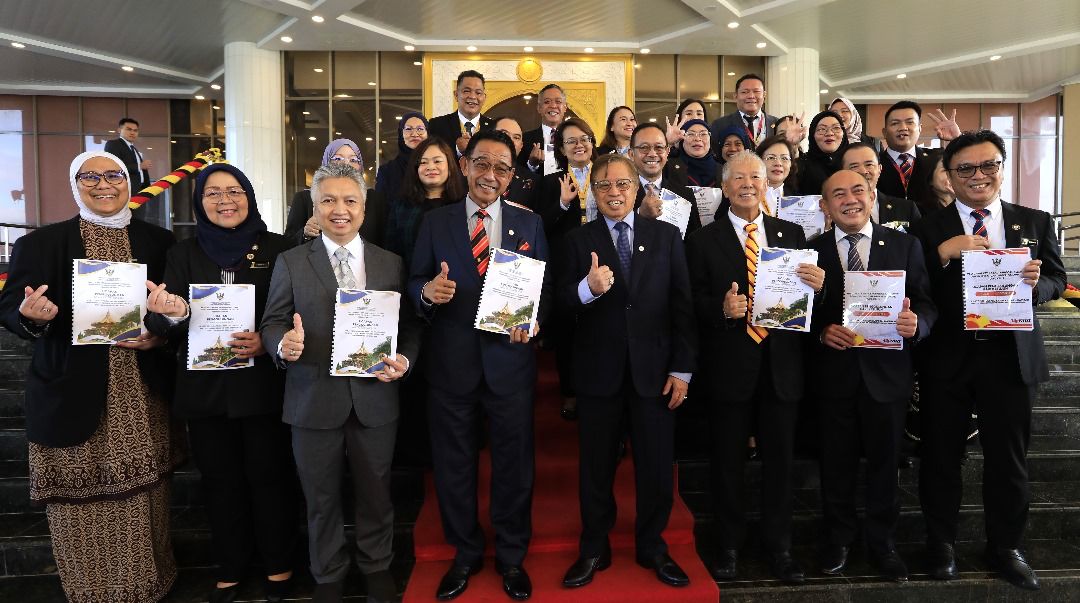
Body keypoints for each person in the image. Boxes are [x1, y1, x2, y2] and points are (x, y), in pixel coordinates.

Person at [0, 150, 181, 601]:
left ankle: (151, 585)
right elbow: (10, 309)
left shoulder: (159, 242)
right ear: (74, 184)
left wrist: (159, 334)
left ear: (129, 182)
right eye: (90, 177)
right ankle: (93, 591)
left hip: (141, 393)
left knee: (148, 500)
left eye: (113, 175)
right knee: (79, 507)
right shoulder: (41, 244)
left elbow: (174, 308)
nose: (103, 185)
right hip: (72, 390)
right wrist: (31, 316)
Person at [908, 129, 1066, 591]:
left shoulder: (1034, 221)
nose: (978, 175)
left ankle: (1006, 547)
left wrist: (1037, 286)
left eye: (988, 165)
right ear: (949, 175)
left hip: (1010, 358)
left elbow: (1057, 279)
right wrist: (942, 255)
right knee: (940, 456)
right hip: (947, 359)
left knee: (1008, 459)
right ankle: (941, 544)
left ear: (1001, 167)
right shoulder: (926, 227)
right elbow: (912, 286)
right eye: (965, 168)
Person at [261, 161, 421, 603]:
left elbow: (408, 327)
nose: (340, 209)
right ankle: (328, 572)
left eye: (350, 200)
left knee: (376, 492)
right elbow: (272, 322)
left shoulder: (390, 262)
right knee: (320, 497)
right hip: (312, 399)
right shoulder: (291, 261)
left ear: (364, 209)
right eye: (328, 200)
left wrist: (405, 359)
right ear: (314, 207)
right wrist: (282, 345)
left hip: (375, 398)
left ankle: (376, 565)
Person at [143, 163, 297, 603]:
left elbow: (294, 309)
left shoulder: (280, 248)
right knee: (220, 480)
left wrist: (268, 341)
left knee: (271, 477)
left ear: (249, 196)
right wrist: (172, 313)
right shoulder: (182, 253)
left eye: (234, 191)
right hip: (205, 391)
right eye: (213, 193)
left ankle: (279, 562)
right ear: (199, 202)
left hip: (263, 386)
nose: (224, 200)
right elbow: (162, 321)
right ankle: (230, 566)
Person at [408, 129, 549, 601]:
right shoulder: (436, 222)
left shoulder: (530, 224)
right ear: (465, 165)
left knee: (514, 465)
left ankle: (511, 556)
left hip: (510, 365)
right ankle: (465, 553)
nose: (491, 174)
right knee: (454, 465)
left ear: (511, 176)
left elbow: (544, 290)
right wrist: (427, 292)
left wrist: (533, 321)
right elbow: (414, 279)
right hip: (451, 366)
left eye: (502, 168)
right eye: (482, 163)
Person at [557, 153, 697, 589]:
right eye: (603, 185)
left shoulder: (666, 236)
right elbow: (558, 306)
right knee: (596, 468)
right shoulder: (577, 240)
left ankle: (652, 546)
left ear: (637, 190)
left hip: (654, 373)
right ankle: (594, 547)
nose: (613, 192)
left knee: (656, 467)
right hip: (598, 374)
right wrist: (587, 289)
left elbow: (683, 305)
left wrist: (682, 369)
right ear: (593, 193)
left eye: (622, 184)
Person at [684, 150, 824, 585]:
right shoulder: (701, 240)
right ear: (724, 187)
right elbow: (688, 302)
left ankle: (779, 547)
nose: (748, 184)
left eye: (756, 177)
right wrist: (719, 308)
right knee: (727, 463)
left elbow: (809, 302)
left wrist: (820, 287)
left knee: (780, 463)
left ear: (767, 186)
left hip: (782, 369)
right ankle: (728, 545)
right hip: (729, 369)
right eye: (739, 178)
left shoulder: (792, 234)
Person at [807, 169, 937, 582]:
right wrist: (821, 332)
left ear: (872, 196)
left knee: (885, 464)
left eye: (858, 191)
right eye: (838, 194)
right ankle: (839, 539)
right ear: (825, 206)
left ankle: (883, 544)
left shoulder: (904, 245)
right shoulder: (808, 252)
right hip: (833, 377)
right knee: (836, 464)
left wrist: (918, 324)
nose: (850, 199)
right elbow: (795, 314)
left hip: (888, 376)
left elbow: (927, 304)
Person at [539, 117, 598, 420]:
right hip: (566, 264)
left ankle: (598, 389)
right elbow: (540, 225)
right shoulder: (551, 181)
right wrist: (562, 204)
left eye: (584, 139)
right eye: (571, 141)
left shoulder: (607, 174)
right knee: (567, 332)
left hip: (603, 261)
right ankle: (570, 392)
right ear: (561, 149)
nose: (579, 145)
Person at [283, 139, 389, 248]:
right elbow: (287, 243)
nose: (346, 164)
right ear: (327, 161)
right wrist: (305, 234)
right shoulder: (304, 199)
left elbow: (386, 241)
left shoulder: (374, 199)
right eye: (338, 158)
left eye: (353, 160)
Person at [385, 137, 466, 269]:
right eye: (423, 162)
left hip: (453, 280)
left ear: (450, 166)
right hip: (409, 279)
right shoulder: (401, 207)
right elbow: (391, 254)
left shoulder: (463, 205)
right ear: (416, 169)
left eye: (437, 161)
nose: (430, 167)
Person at [877, 101, 962, 210]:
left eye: (910, 122)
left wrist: (958, 139)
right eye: (895, 123)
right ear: (884, 132)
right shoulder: (873, 163)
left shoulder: (937, 159)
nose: (903, 127)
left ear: (920, 128)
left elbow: (969, 169)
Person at [629, 122, 702, 237]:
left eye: (659, 147)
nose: (652, 154)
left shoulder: (685, 195)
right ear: (631, 154)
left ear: (667, 152)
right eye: (644, 147)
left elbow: (694, 240)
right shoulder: (619, 193)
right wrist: (639, 215)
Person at [841, 142, 922, 230]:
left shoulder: (907, 209)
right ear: (842, 172)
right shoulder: (835, 210)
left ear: (879, 169)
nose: (863, 171)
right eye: (854, 166)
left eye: (869, 165)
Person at [428, 70, 494, 155]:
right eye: (466, 91)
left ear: (484, 98)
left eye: (478, 92)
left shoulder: (494, 127)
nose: (473, 96)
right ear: (456, 95)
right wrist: (457, 150)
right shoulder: (436, 125)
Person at [375, 112, 430, 207]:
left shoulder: (436, 167)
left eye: (420, 129)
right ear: (401, 134)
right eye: (408, 129)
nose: (415, 134)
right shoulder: (387, 171)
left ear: (428, 133)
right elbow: (380, 208)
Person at [710, 74, 777, 146]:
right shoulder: (719, 125)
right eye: (744, 92)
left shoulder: (776, 123)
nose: (751, 96)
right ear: (735, 96)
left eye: (756, 91)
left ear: (764, 95)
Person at [797, 110, 850, 198]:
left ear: (843, 133)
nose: (829, 133)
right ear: (813, 135)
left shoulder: (852, 163)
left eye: (836, 128)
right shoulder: (802, 164)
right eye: (821, 129)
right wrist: (792, 144)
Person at [493, 116, 540, 211]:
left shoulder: (534, 182)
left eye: (516, 137)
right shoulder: (471, 172)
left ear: (521, 146)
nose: (510, 140)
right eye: (504, 134)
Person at [519, 83, 568, 175]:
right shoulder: (524, 139)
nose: (553, 106)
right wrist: (531, 165)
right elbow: (516, 173)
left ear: (565, 107)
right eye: (547, 102)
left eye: (558, 102)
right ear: (539, 108)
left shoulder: (574, 139)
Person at [104, 117, 152, 192]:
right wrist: (139, 166)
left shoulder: (133, 148)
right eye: (129, 129)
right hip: (125, 191)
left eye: (135, 130)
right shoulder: (113, 144)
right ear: (119, 130)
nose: (132, 133)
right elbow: (113, 168)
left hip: (141, 190)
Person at [757, 134, 799, 217]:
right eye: (771, 158)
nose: (778, 163)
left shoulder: (797, 200)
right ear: (759, 161)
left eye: (784, 158)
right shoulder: (747, 194)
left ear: (791, 164)